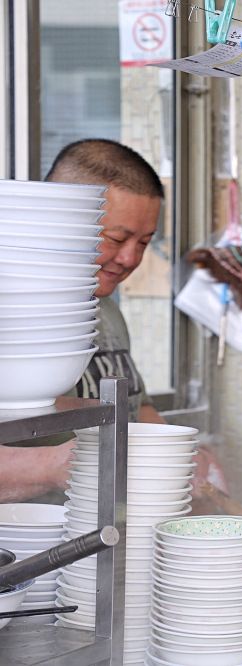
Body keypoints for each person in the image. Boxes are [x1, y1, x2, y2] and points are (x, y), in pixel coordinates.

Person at [0, 139, 187, 502]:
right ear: (62, 218)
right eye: (116, 238)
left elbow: (137, 405)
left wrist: (181, 459)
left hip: (101, 536)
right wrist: (59, 465)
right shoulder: (11, 311)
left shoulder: (107, 307)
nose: (130, 258)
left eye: (145, 242)